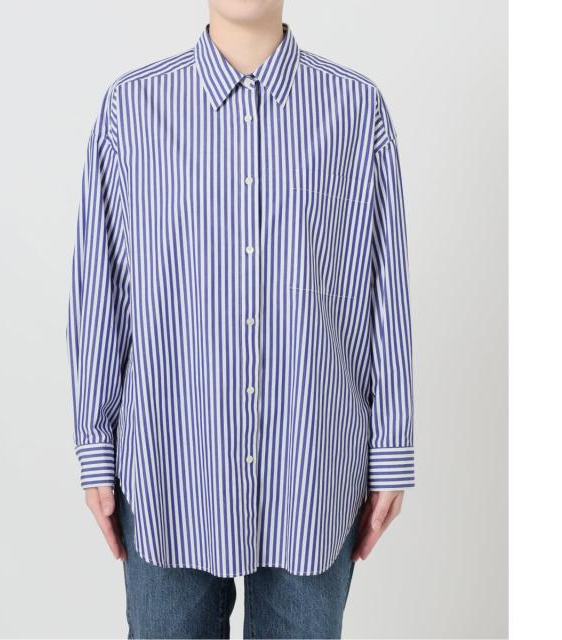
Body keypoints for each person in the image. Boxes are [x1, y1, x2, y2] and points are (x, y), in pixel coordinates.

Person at [66, 0, 415, 638]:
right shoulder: (132, 108)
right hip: (170, 465)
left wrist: (391, 450)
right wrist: (95, 445)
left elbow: (385, 284)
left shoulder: (355, 110)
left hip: (312, 464)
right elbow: (99, 287)